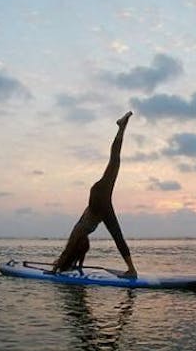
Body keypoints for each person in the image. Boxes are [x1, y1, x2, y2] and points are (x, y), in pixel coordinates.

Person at [53, 111, 137, 278]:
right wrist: (59, 264)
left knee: (115, 161)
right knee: (115, 161)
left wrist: (56, 268)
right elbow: (69, 249)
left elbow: (69, 249)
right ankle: (132, 269)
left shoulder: (80, 231)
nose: (86, 243)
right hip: (101, 202)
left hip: (100, 200)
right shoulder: (82, 230)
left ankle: (132, 270)